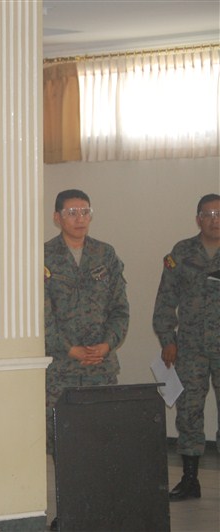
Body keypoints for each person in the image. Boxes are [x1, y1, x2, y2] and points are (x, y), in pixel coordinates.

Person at [44, 189, 129, 446]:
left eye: (85, 212)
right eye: (72, 213)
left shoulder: (105, 254)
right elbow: (40, 316)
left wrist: (107, 345)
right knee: (62, 440)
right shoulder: (43, 256)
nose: (80, 218)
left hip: (100, 367)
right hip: (61, 368)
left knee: (102, 438)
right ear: (57, 217)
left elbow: (120, 309)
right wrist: (70, 350)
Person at [153, 193, 220, 501]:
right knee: (189, 411)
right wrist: (168, 339)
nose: (215, 220)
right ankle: (190, 480)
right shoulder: (181, 252)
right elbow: (165, 300)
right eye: (208, 215)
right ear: (198, 219)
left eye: (219, 214)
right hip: (191, 348)